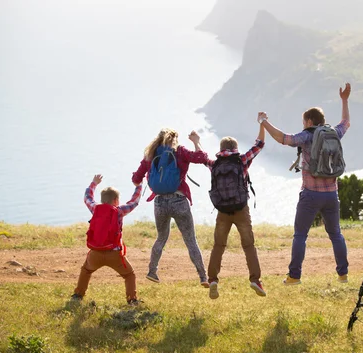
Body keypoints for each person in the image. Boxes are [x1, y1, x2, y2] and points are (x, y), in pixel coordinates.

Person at [260, 83, 351, 285]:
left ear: (309, 120)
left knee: (300, 235)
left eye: (304, 121)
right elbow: (346, 122)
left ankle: (294, 276)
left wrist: (264, 122)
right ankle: (343, 274)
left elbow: (283, 138)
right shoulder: (334, 133)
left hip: (310, 194)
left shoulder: (307, 136)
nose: (303, 124)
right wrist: (344, 99)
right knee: (336, 234)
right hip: (331, 194)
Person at [131, 128, 209, 287]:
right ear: (175, 140)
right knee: (190, 240)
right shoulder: (179, 151)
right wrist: (196, 141)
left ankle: (152, 271)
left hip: (160, 203)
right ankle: (203, 277)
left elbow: (136, 179)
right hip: (179, 201)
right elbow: (201, 157)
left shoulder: (151, 154)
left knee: (161, 238)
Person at [203, 116, 266, 299]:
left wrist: (197, 142)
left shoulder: (215, 164)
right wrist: (261, 124)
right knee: (248, 245)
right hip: (241, 209)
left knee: (218, 245)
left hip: (222, 211)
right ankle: (255, 279)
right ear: (235, 149)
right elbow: (259, 144)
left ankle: (213, 279)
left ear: (221, 149)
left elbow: (203, 158)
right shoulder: (242, 160)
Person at [71, 174, 142, 305]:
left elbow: (87, 198)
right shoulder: (119, 211)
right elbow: (134, 202)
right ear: (115, 200)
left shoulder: (95, 209)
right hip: (114, 254)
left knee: (86, 270)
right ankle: (132, 300)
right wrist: (139, 186)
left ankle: (78, 295)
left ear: (103, 200)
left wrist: (93, 183)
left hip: (95, 253)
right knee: (129, 275)